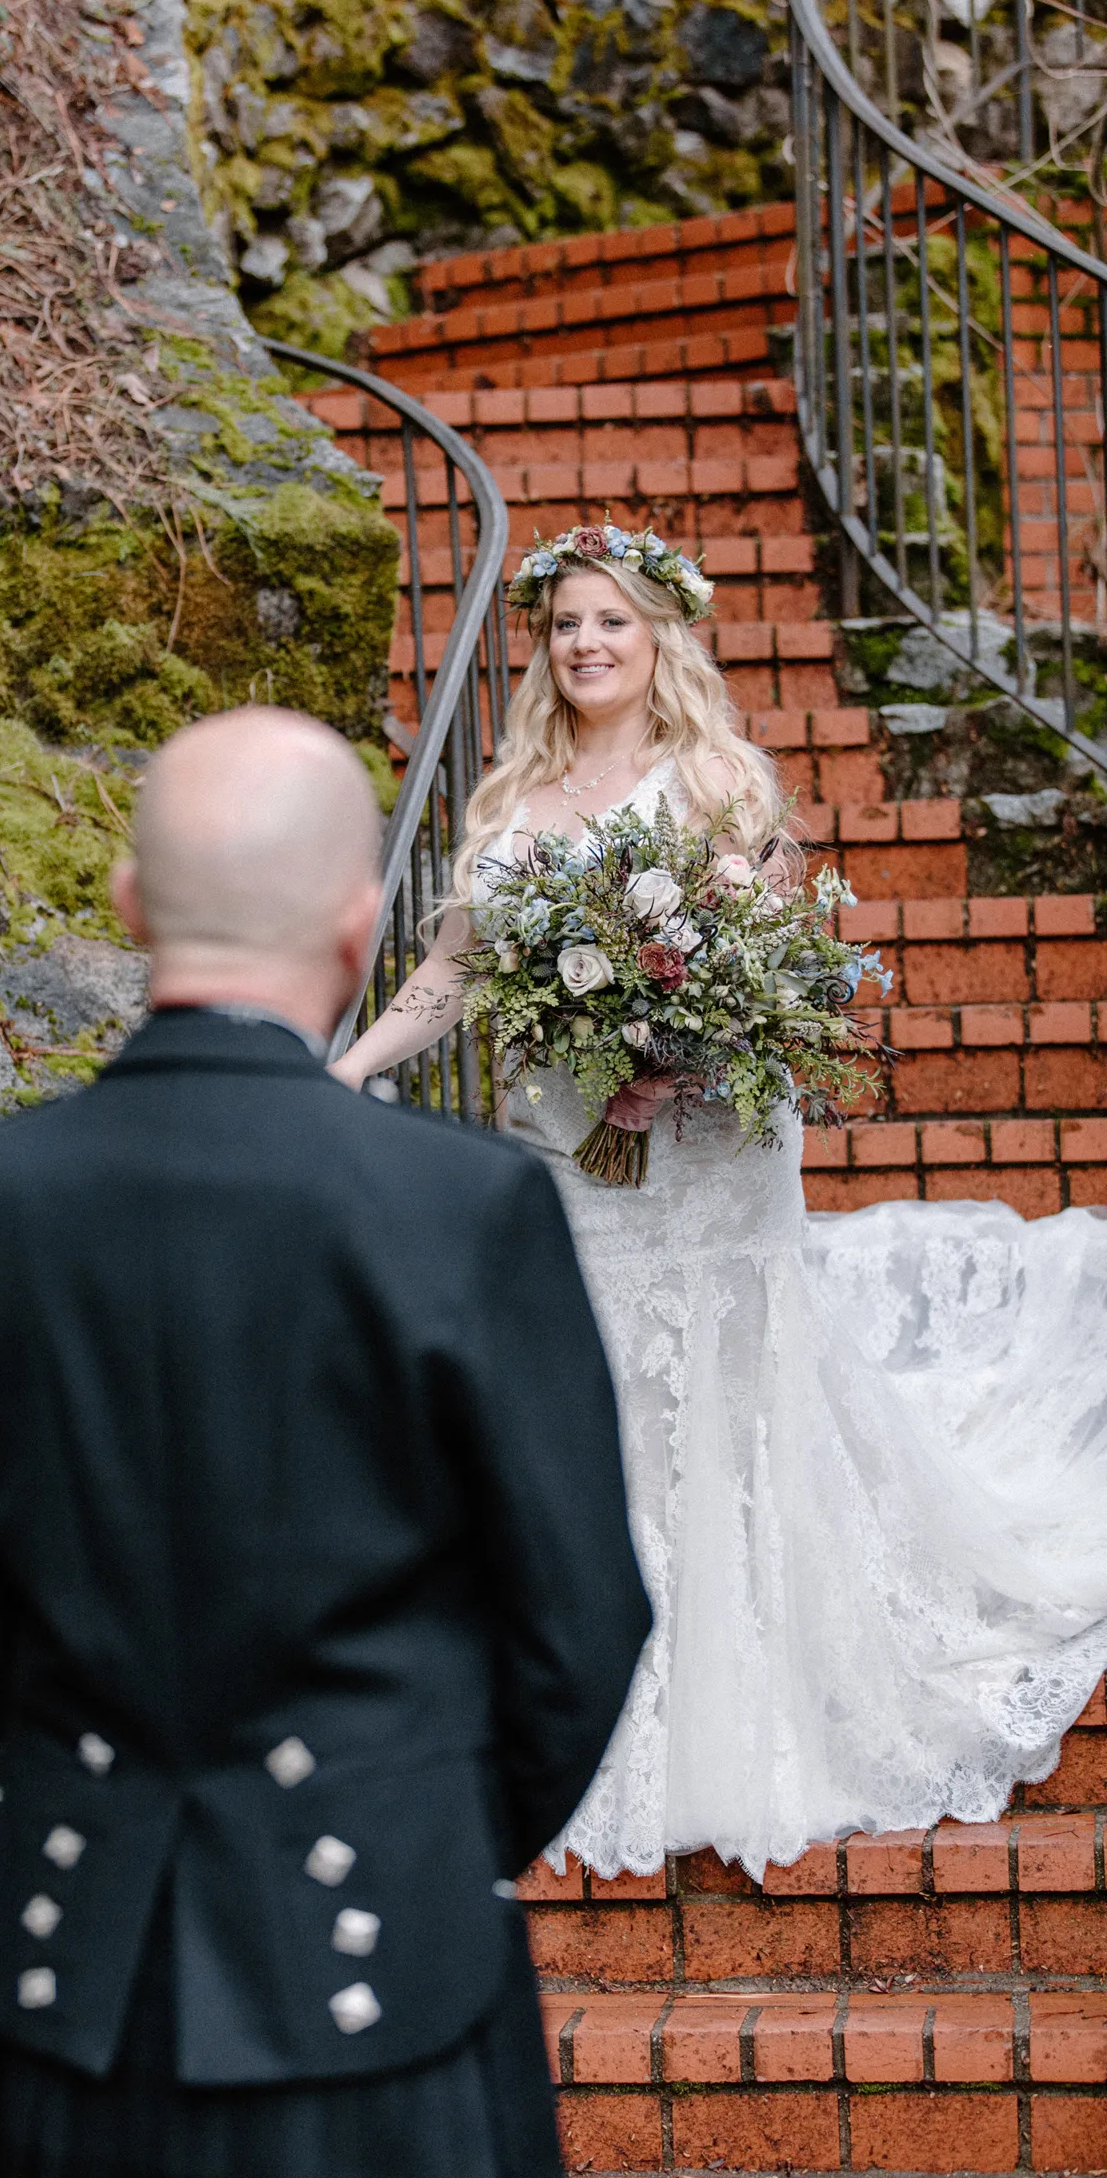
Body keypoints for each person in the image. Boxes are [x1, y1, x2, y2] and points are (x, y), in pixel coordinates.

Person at [0, 704, 652, 2178]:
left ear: (131, 907)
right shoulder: (463, 1207)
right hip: (394, 1989)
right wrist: (419, 1827)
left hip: (72, 1987)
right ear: (362, 928)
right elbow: (582, 1618)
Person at [334, 530, 1107, 1884]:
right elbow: (452, 973)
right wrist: (345, 1071)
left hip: (703, 1154)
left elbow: (754, 970)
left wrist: (672, 1059)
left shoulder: (714, 778)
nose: (586, 644)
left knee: (719, 1391)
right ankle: (592, 1663)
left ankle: (729, 1693)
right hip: (564, 1154)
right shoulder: (511, 796)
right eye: (566, 624)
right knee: (592, 1396)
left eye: (612, 622)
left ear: (659, 640)